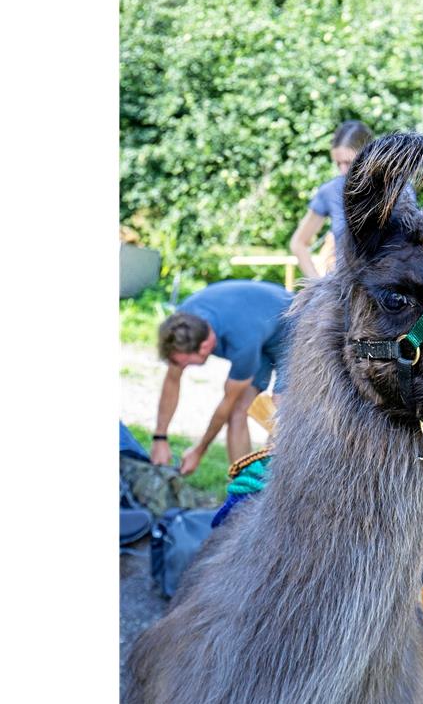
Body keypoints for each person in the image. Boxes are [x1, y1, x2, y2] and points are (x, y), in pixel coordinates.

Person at [151, 280, 294, 476]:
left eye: (186, 363)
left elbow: (226, 403)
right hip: (260, 326)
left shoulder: (241, 342)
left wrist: (199, 450)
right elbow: (172, 380)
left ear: (205, 346)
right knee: (239, 411)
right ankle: (244, 488)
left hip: (292, 325)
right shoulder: (181, 325)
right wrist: (160, 438)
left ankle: (276, 488)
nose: (183, 368)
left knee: (278, 414)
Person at [289, 120, 374, 279]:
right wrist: (317, 284)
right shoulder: (331, 191)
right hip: (345, 292)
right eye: (338, 164)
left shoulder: (398, 189)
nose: (343, 171)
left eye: (349, 163)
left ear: (368, 155)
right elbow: (298, 244)